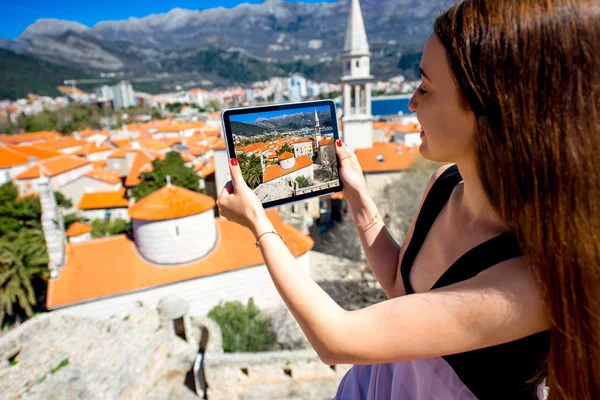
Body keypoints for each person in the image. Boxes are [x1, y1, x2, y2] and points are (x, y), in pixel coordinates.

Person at [217, 0, 600, 398]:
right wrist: (360, 200)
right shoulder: (444, 185)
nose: (412, 102)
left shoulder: (530, 278)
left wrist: (259, 225)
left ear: (491, 109)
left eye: (426, 88)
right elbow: (402, 292)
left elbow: (336, 338)